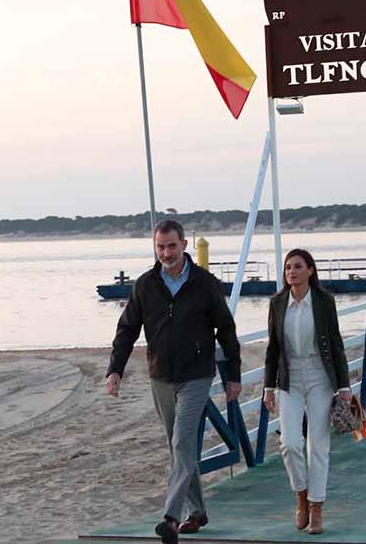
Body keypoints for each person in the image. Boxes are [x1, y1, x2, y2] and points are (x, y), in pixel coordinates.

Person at [106, 220, 242, 544]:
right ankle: (198, 512)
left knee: (183, 442)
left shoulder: (204, 283)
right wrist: (115, 370)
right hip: (160, 375)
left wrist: (234, 374)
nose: (166, 253)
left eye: (171, 246)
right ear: (156, 248)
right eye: (160, 247)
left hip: (196, 374)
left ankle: (171, 517)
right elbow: (127, 330)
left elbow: (226, 328)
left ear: (184, 244)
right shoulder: (145, 285)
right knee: (177, 447)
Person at [262, 249, 350, 536]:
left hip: (319, 376)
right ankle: (300, 493)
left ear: (311, 270)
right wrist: (268, 387)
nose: (292, 272)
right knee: (289, 443)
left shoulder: (324, 302)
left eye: (298, 267)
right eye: (288, 267)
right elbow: (272, 349)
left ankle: (316, 507)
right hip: (289, 378)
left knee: (318, 445)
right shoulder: (277, 303)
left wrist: (344, 386)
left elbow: (336, 343)